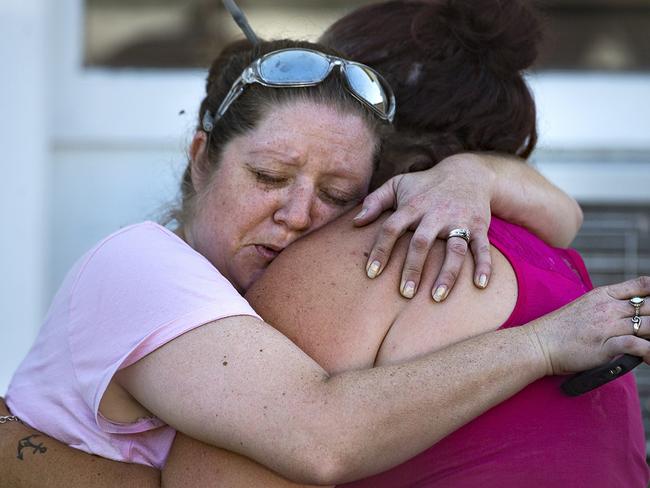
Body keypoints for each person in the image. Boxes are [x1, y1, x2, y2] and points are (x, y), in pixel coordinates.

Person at [1, 5, 649, 488]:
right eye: (269, 177)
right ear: (201, 159)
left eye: (340, 194)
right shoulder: (142, 264)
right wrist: (539, 345)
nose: (300, 214)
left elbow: (565, 214)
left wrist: (473, 175)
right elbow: (320, 434)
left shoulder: (270, 290)